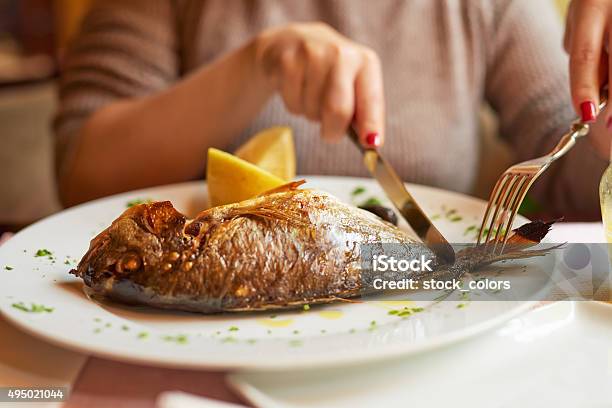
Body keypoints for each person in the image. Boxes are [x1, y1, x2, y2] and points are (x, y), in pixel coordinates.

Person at [54, 0, 609, 220]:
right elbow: (83, 172)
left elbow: (570, 171)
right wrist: (255, 67)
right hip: (190, 344)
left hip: (416, 341)